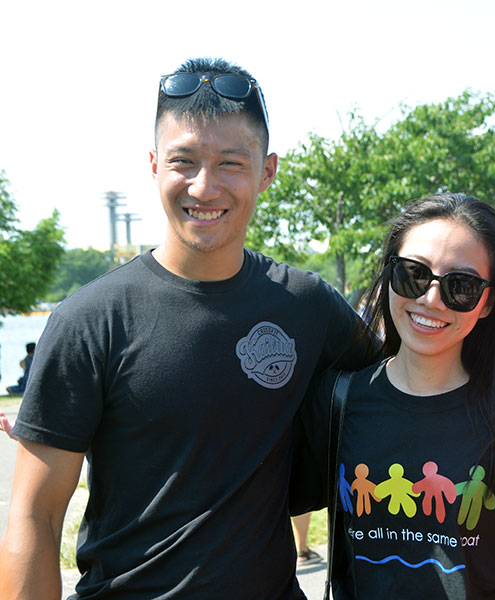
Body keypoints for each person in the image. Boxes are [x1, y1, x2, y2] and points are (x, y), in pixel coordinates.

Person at [0, 57, 373, 599]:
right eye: (184, 161)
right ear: (153, 165)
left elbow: (406, 387)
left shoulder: (306, 305)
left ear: (267, 171)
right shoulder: (90, 319)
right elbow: (33, 518)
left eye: (230, 163)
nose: (204, 187)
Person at [297, 193, 495, 599]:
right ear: (388, 272)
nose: (431, 299)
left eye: (460, 286)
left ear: (489, 302)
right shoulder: (337, 401)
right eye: (413, 274)